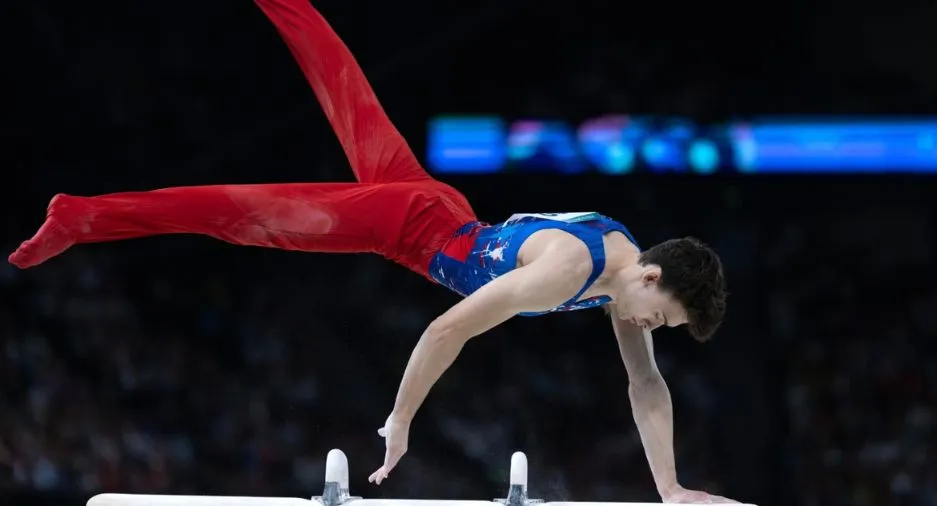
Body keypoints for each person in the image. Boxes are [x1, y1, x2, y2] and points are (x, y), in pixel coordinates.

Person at [9, 0, 735, 502]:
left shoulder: (623, 272)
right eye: (658, 316)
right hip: (406, 227)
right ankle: (80, 218)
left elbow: (645, 387)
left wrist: (669, 490)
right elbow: (445, 329)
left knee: (339, 80)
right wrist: (400, 424)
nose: (648, 329)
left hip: (442, 213)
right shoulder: (571, 271)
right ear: (649, 275)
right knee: (234, 213)